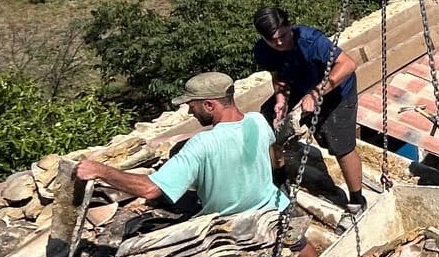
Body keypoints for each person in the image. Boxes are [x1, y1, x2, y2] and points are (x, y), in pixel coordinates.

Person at [75, 72, 285, 218]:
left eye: (191, 106)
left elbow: (150, 189)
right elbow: (276, 161)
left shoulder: (202, 143)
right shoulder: (257, 120)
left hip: (233, 221)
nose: (189, 112)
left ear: (209, 105)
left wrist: (100, 171)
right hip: (274, 206)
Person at [252, 5, 366, 212]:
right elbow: (279, 75)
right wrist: (281, 100)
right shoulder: (263, 50)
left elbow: (347, 64)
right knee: (270, 127)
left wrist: (315, 93)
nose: (279, 43)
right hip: (299, 86)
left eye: (283, 36)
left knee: (340, 144)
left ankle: (357, 199)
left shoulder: (311, 40)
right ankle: (280, 178)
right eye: (272, 40)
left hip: (335, 90)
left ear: (290, 26)